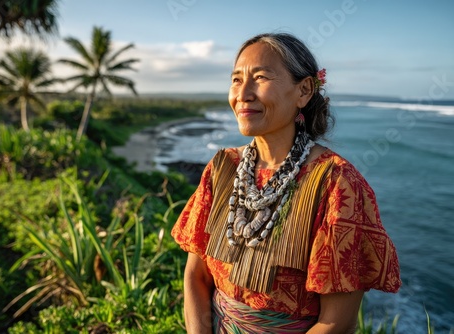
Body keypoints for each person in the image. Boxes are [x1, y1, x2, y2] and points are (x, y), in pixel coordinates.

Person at [171, 32, 401, 334]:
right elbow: (195, 276)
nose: (243, 94)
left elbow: (337, 323)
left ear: (304, 90)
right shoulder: (223, 167)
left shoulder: (336, 183)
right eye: (237, 80)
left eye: (261, 77)